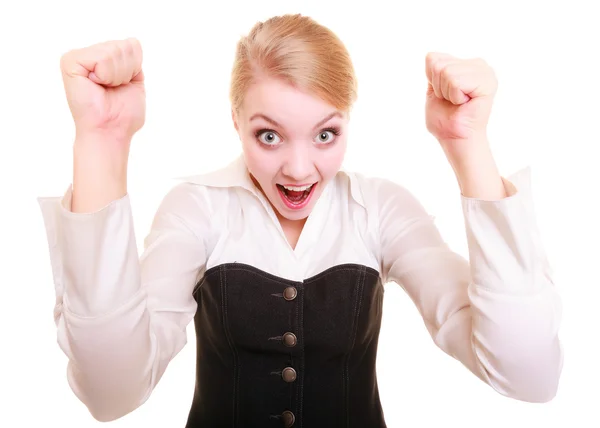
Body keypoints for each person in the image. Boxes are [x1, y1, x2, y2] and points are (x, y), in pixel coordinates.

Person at [37, 13, 563, 428]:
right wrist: (102, 139)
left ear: (347, 122)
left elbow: (527, 375)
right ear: (236, 122)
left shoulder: (379, 209)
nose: (298, 168)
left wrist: (467, 144)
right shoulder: (198, 208)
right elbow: (112, 393)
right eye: (269, 135)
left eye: (325, 134)